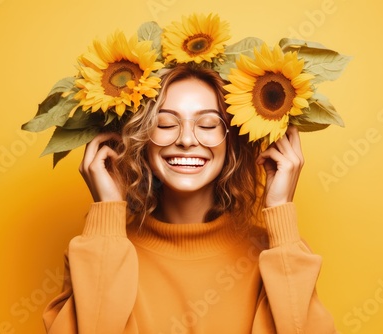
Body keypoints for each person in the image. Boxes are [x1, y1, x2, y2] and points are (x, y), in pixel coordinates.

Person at [41, 63, 337, 333]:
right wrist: (106, 216)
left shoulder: (274, 255)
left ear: (232, 141)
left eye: (208, 125)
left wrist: (282, 215)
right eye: (166, 124)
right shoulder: (99, 249)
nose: (185, 139)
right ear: (139, 139)